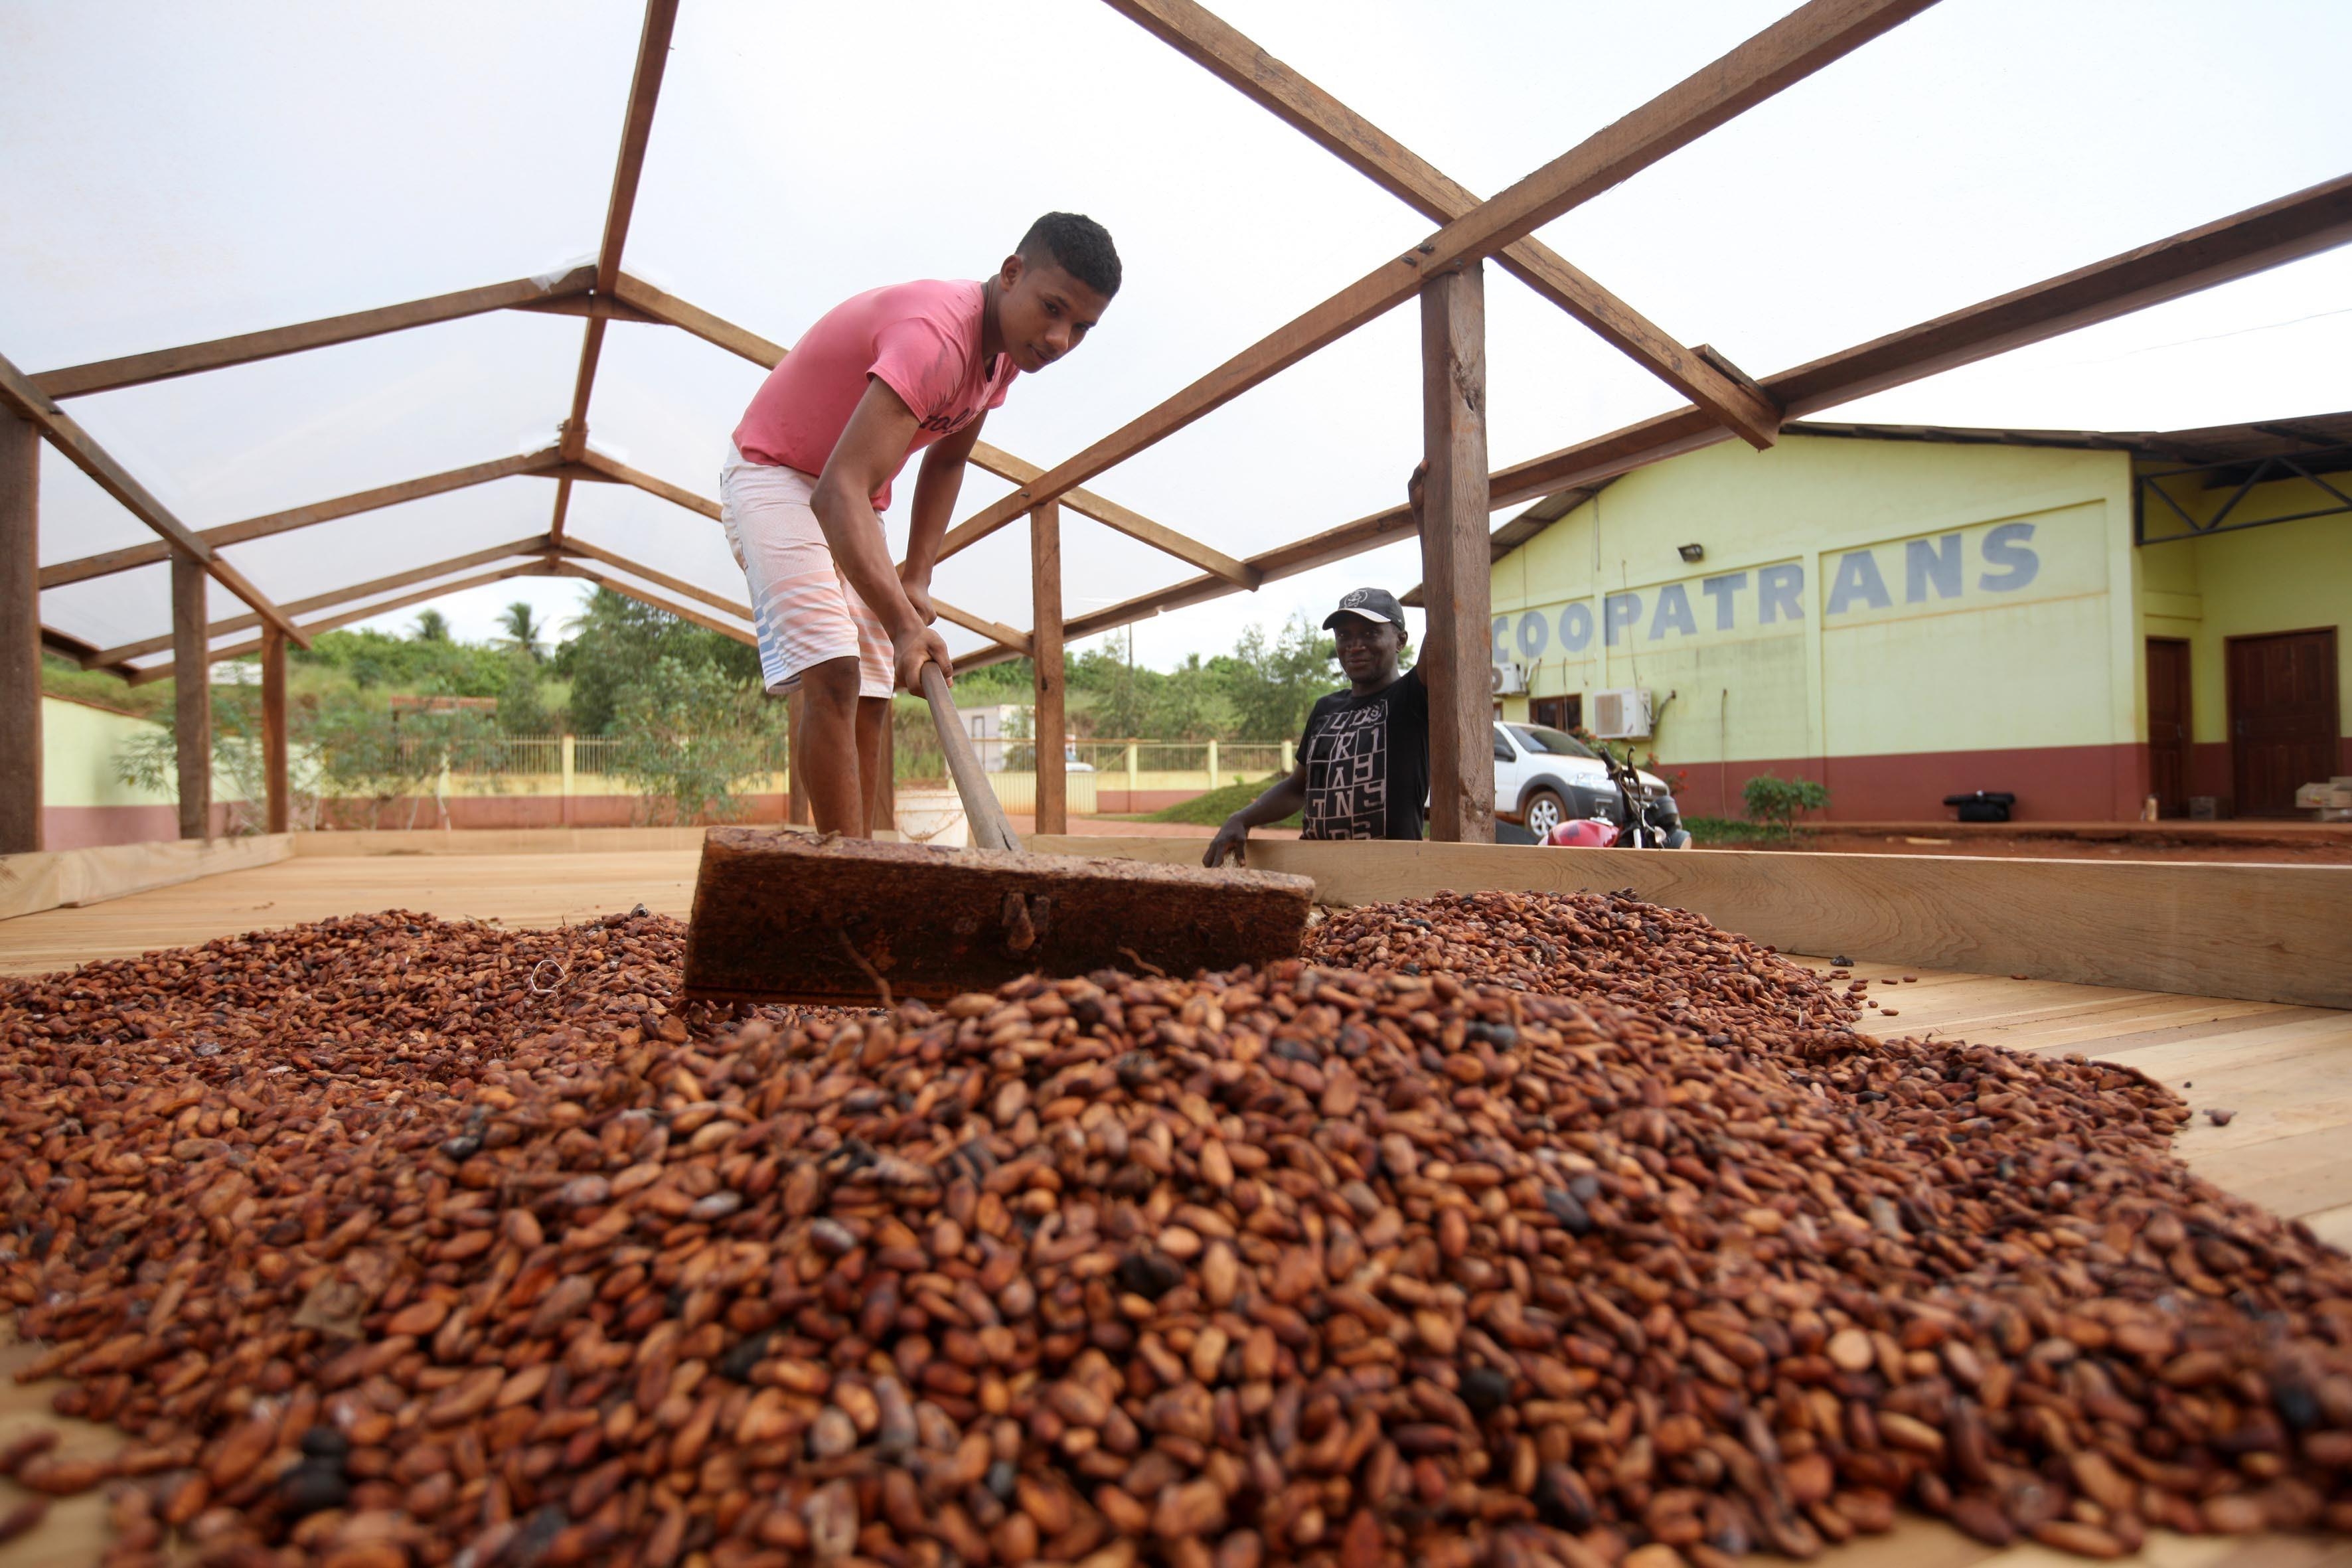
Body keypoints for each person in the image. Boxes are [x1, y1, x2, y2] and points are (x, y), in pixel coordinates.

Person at [720, 213, 1121, 835]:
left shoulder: (1004, 357)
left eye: (1082, 328)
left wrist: (917, 577)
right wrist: (907, 629)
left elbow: (948, 460)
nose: (1059, 339)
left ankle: (865, 859)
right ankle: (846, 876)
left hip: (853, 496)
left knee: (877, 686)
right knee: (833, 666)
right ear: (1011, 274)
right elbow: (836, 493)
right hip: (776, 473)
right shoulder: (936, 337)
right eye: (1052, 309)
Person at [1204, 587, 1429, 866]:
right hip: (1316, 871)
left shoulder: (1411, 697)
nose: (1355, 645)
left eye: (1370, 633)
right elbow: (1298, 788)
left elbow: (1444, 636)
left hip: (1388, 877)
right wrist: (1241, 818)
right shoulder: (1326, 709)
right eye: (1344, 635)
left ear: (1401, 641)